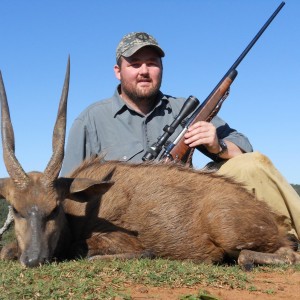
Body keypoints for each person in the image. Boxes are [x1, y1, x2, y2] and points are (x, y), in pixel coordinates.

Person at [61, 32, 300, 241]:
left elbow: (244, 148)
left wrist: (218, 146)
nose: (144, 71)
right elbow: (67, 190)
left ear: (161, 69)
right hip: (126, 222)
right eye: (134, 64)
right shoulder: (90, 120)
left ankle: (288, 238)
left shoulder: (184, 108)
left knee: (253, 163)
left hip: (186, 207)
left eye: (152, 63)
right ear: (118, 71)